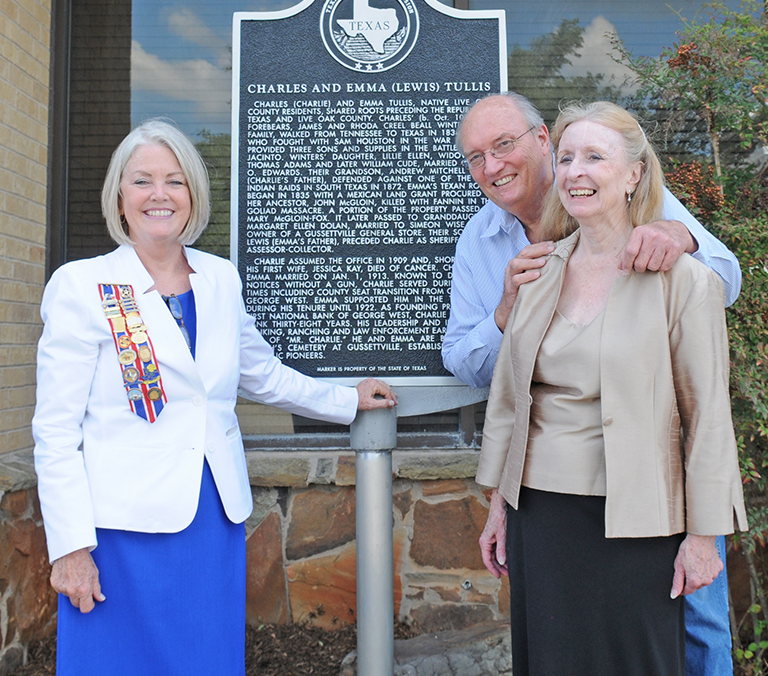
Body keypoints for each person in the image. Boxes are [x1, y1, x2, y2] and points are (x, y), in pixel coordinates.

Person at [32, 118, 397, 676]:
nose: (159, 194)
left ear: (193, 194)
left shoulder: (220, 278)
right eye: (142, 180)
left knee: (204, 658)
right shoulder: (82, 285)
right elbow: (56, 431)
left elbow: (263, 375)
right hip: (119, 531)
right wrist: (70, 547)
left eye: (175, 180)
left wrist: (347, 400)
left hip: (210, 519)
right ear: (120, 196)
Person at [442, 92, 741, 675]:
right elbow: (505, 395)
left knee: (682, 641)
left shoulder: (680, 272)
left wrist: (704, 536)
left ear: (633, 175)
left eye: (504, 145)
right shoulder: (526, 268)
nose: (492, 164)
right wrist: (499, 503)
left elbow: (707, 413)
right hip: (543, 515)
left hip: (647, 509)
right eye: (476, 157)